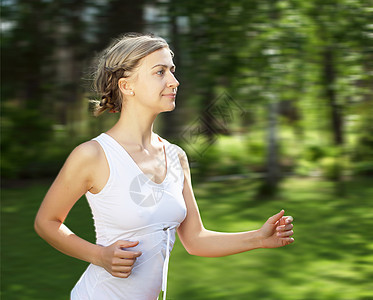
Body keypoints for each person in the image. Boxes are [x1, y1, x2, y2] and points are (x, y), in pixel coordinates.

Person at [34, 33, 294, 300]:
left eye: (172, 70)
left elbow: (195, 240)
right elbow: (47, 222)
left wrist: (259, 238)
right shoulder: (94, 154)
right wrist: (99, 255)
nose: (174, 81)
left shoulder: (176, 156)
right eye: (160, 72)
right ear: (126, 86)